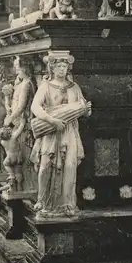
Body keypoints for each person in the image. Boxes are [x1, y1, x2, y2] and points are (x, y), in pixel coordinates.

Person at [30, 52, 91, 218]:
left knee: (70, 167)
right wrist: (52, 120)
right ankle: (43, 201)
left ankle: (67, 204)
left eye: (65, 66)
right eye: (59, 66)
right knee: (45, 167)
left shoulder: (74, 87)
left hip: (69, 132)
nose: (62, 69)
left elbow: (82, 108)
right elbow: (35, 108)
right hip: (50, 132)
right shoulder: (46, 87)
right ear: (52, 67)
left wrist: (86, 110)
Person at [3, 56, 37, 190]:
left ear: (25, 67)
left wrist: (10, 118)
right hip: (18, 123)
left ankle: (27, 188)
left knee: (25, 157)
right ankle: (19, 187)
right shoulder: (20, 83)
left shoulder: (27, 83)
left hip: (24, 123)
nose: (15, 67)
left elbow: (22, 106)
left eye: (18, 65)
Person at [0, 118, 26, 192]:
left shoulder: (2, 142)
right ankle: (19, 186)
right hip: (18, 157)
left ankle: (11, 175)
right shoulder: (13, 137)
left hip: (10, 158)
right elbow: (20, 130)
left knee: (5, 164)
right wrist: (22, 123)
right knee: (18, 171)